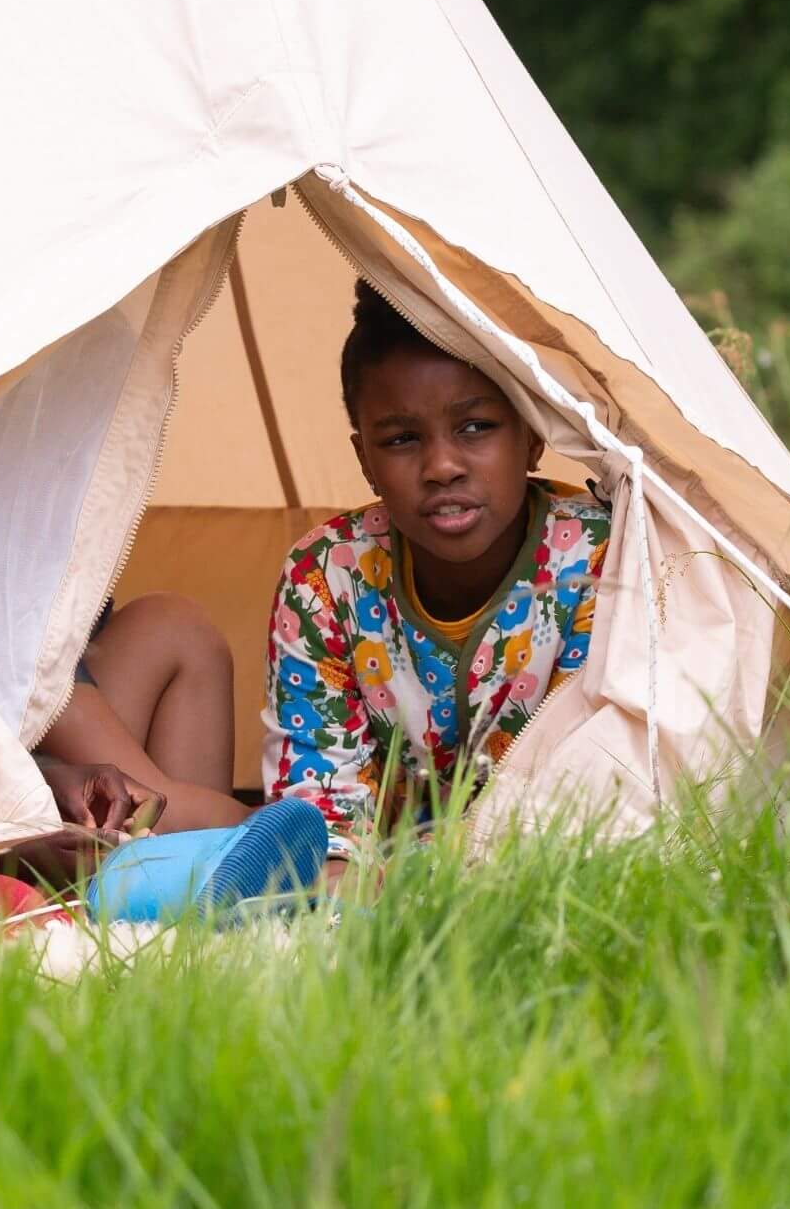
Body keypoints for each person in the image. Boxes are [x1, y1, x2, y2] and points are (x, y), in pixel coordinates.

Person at [260, 281, 610, 840]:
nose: (442, 465)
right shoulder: (325, 579)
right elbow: (318, 807)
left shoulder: (600, 558)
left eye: (476, 427)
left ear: (534, 435)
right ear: (365, 459)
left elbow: (603, 783)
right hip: (380, 886)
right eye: (402, 439)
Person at [35, 595, 250, 836]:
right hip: (23, 660)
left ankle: (195, 857)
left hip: (61, 637)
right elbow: (152, 809)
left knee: (179, 628)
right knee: (155, 816)